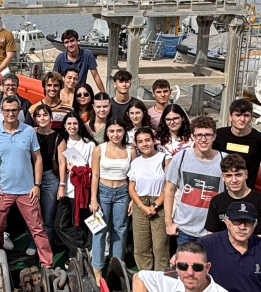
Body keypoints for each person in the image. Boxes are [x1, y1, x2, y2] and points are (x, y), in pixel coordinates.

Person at [0, 96, 53, 266]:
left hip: (27, 189)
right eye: (7, 110)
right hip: (2, 189)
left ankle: (47, 263)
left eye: (14, 110)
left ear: (19, 111)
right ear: (1, 111)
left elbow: (37, 158)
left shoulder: (28, 131)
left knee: (37, 228)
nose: (10, 113)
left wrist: (37, 185)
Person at [163, 116, 224, 245]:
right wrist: (169, 222)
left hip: (213, 231)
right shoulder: (181, 158)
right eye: (199, 135)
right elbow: (169, 189)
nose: (203, 139)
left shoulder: (224, 160)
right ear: (192, 137)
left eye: (207, 135)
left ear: (214, 136)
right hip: (184, 229)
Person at [89, 117, 134, 277]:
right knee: (99, 230)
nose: (116, 134)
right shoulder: (99, 149)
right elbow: (95, 175)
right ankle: (97, 268)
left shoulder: (130, 150)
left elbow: (133, 178)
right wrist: (93, 199)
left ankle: (117, 267)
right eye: (112, 131)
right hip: (103, 192)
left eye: (119, 131)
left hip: (122, 192)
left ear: (124, 132)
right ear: (106, 132)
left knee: (120, 230)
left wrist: (132, 200)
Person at [204, 153, 261, 237]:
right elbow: (211, 234)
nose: (234, 180)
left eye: (238, 175)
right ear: (223, 177)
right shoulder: (217, 201)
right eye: (229, 176)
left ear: (246, 174)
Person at [127, 127, 169, 270]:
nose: (144, 144)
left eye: (147, 140)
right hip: (141, 204)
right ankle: (145, 276)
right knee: (141, 246)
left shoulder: (164, 158)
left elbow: (169, 186)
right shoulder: (136, 162)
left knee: (160, 247)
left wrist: (155, 205)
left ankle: (160, 278)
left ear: (154, 140)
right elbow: (131, 188)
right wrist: (141, 206)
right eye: (140, 142)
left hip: (160, 204)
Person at [55, 114, 96, 251]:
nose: (72, 127)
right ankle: (82, 248)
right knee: (60, 224)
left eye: (75, 123)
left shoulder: (89, 144)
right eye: (69, 124)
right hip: (67, 188)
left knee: (79, 224)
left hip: (83, 190)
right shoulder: (62, 142)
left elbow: (92, 168)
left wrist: (76, 169)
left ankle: (76, 254)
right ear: (65, 126)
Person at [32, 104, 62, 246]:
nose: (42, 118)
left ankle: (46, 246)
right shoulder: (31, 133)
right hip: (31, 178)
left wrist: (62, 185)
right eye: (39, 115)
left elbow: (62, 163)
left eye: (45, 115)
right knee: (32, 214)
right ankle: (34, 243)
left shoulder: (58, 137)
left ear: (50, 117)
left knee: (48, 217)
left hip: (50, 178)